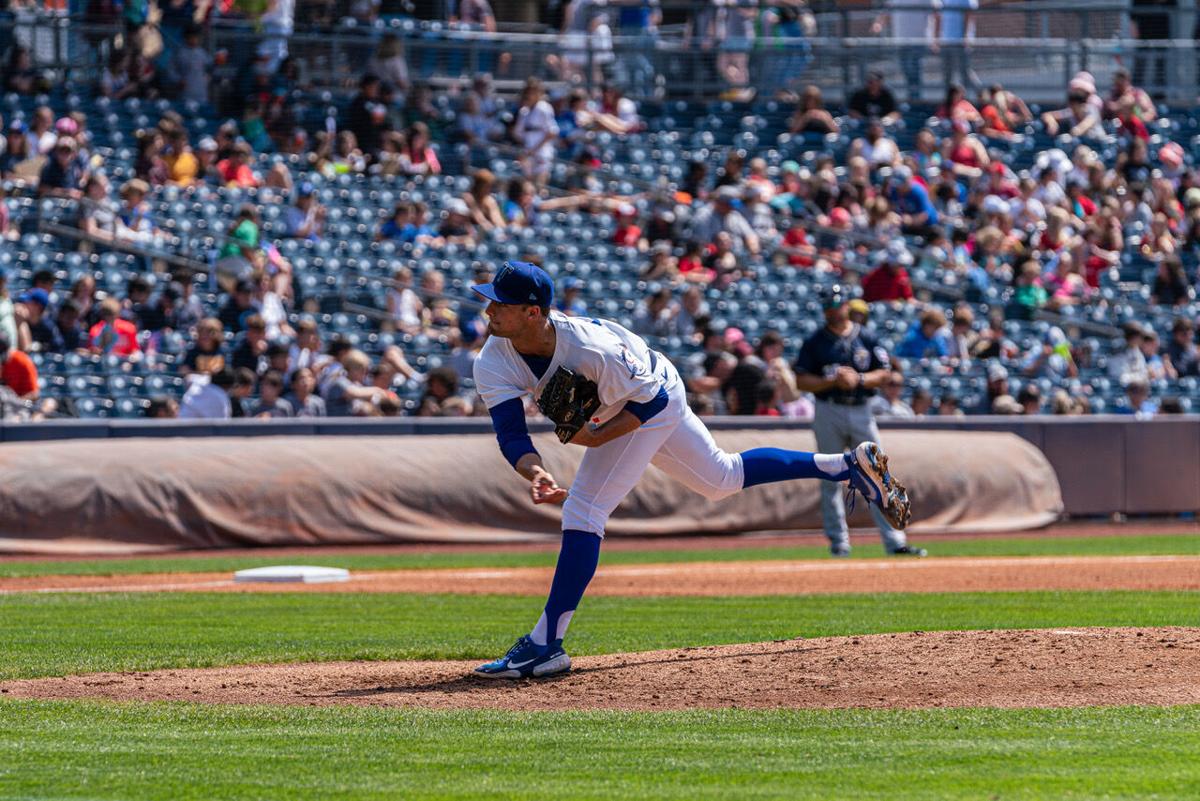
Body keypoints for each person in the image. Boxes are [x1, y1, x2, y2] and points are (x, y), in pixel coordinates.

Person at [468, 262, 912, 679]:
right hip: (630, 400)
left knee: (584, 510)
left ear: (532, 312)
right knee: (722, 479)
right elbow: (511, 434)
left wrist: (601, 436)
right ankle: (845, 466)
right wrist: (537, 473)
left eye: (499, 304)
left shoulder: (591, 348)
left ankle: (546, 645)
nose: (488, 309)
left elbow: (655, 401)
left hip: (652, 398)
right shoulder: (494, 357)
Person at [792, 284, 924, 558]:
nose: (832, 310)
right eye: (828, 306)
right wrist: (832, 381)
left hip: (862, 407)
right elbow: (801, 380)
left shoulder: (866, 336)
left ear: (846, 305)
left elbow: (886, 373)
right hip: (829, 409)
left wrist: (859, 379)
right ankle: (839, 543)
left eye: (836, 305)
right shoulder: (816, 341)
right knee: (829, 477)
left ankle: (895, 541)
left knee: (878, 472)